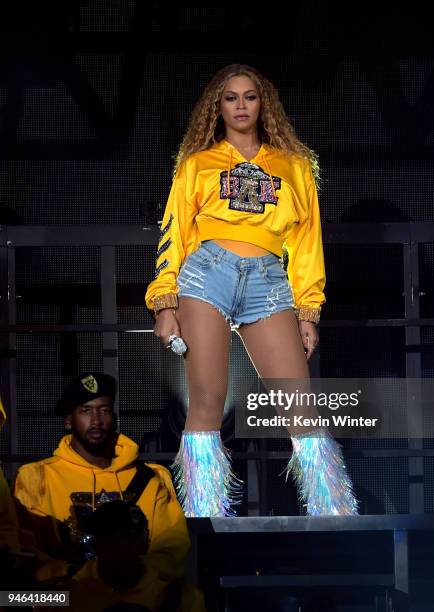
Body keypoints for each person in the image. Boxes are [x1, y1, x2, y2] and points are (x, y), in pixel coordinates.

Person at [145, 64, 358, 517]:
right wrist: (164, 303)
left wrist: (308, 311)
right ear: (217, 107)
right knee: (206, 400)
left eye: (249, 97)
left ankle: (337, 517)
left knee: (300, 406)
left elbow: (306, 243)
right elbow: (173, 232)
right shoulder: (198, 164)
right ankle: (204, 521)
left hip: (268, 281)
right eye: (230, 98)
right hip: (207, 274)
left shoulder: (294, 166)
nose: (240, 105)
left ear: (264, 105)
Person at [13, 372, 190, 583]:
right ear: (69, 421)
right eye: (86, 411)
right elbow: (24, 549)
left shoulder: (152, 478)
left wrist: (128, 572)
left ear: (114, 419)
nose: (96, 421)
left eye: (104, 410)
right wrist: (75, 576)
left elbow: (173, 550)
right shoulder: (38, 478)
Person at [65, 500, 205, 612]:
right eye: (110, 540)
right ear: (96, 544)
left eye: (129, 540)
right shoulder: (64, 594)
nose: (121, 548)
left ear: (145, 542)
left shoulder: (183, 599)